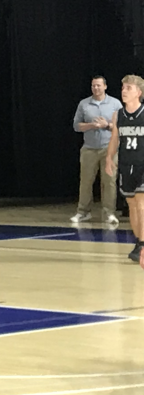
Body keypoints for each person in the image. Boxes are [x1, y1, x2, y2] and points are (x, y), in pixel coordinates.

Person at [72, 75, 122, 225]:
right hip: (89, 149)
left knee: (109, 182)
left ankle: (109, 213)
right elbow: (76, 126)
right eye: (93, 85)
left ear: (105, 86)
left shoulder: (115, 104)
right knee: (86, 182)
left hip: (109, 148)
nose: (96, 88)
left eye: (99, 85)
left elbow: (121, 127)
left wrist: (106, 125)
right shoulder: (84, 104)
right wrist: (92, 126)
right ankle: (83, 212)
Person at [106, 75, 144, 262]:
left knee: (142, 203)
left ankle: (143, 244)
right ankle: (139, 242)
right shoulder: (118, 115)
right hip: (125, 165)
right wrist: (108, 158)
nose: (124, 91)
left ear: (139, 92)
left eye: (128, 88)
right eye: (123, 87)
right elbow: (115, 139)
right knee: (132, 206)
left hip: (142, 165)